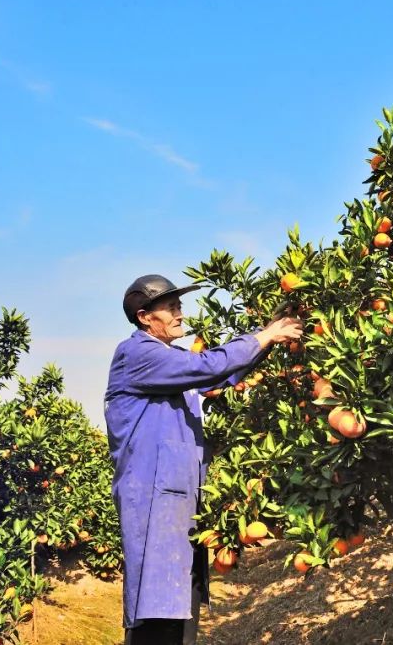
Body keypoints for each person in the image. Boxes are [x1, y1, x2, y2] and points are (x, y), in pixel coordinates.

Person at [104, 274, 303, 645]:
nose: (181, 314)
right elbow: (205, 367)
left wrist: (272, 335)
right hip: (153, 499)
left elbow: (218, 376)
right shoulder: (137, 355)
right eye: (172, 308)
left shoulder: (171, 361)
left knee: (182, 609)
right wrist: (263, 336)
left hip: (180, 502)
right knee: (157, 610)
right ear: (146, 317)